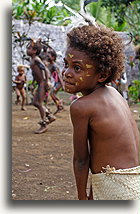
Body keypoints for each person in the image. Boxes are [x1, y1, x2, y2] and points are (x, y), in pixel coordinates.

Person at [63, 23, 140, 200]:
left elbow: (81, 160)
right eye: (66, 64)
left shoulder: (81, 107)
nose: (66, 73)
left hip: (116, 189)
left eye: (77, 68)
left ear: (102, 75)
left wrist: (82, 199)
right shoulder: (114, 93)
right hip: (135, 184)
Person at [26, 39, 56, 134]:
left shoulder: (36, 59)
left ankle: (44, 124)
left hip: (43, 83)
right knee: (35, 102)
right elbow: (35, 73)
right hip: (40, 83)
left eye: (29, 48)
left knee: (38, 103)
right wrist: (33, 83)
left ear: (35, 51)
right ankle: (49, 116)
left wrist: (46, 81)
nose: (27, 50)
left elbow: (45, 70)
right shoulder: (33, 60)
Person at [47, 50, 64, 114]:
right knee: (52, 94)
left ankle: (60, 104)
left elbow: (59, 75)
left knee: (52, 94)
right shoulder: (49, 64)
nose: (47, 57)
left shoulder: (54, 65)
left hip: (59, 82)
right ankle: (59, 105)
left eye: (49, 55)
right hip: (56, 82)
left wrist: (62, 84)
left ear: (53, 57)